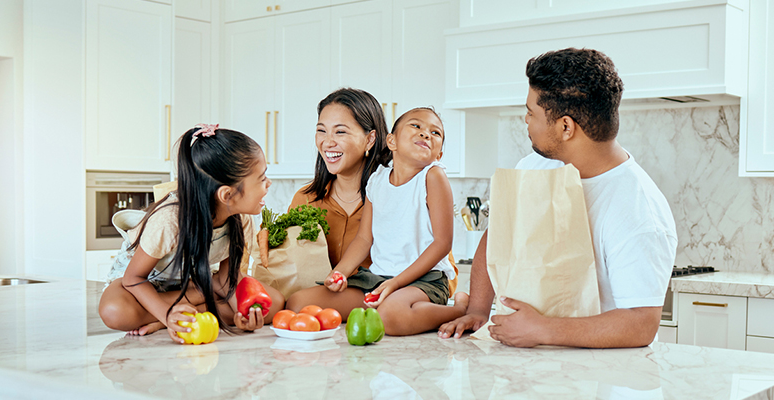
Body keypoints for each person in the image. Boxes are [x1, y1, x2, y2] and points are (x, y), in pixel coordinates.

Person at [438, 48, 677, 348]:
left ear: (566, 127)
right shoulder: (535, 166)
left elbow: (640, 324)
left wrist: (543, 330)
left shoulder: (638, 209)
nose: (525, 120)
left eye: (531, 112)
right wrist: (477, 310)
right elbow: (497, 235)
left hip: (600, 379)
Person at [290, 107, 469, 335]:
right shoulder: (377, 180)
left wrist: (395, 284)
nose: (426, 134)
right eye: (416, 126)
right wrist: (340, 273)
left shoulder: (433, 177)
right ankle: (388, 304)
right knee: (299, 304)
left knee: (391, 317)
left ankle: (461, 309)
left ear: (439, 155)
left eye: (436, 133)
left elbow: (443, 245)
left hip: (424, 281)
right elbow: (364, 238)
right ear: (391, 141)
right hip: (378, 279)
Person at [99, 124, 285, 344]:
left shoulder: (241, 217)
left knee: (274, 303)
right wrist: (167, 315)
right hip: (145, 285)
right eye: (262, 179)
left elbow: (227, 279)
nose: (268, 184)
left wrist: (243, 315)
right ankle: (181, 311)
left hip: (192, 283)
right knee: (114, 311)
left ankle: (179, 313)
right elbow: (133, 279)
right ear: (227, 194)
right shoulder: (170, 221)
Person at [287, 88, 392, 269]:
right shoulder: (305, 200)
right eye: (322, 130)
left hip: (385, 296)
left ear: (370, 139)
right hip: (320, 296)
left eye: (340, 132)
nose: (327, 142)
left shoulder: (396, 197)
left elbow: (442, 272)